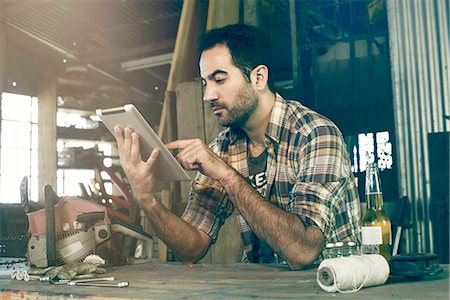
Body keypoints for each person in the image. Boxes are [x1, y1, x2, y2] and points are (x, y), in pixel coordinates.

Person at [114, 23, 361, 270]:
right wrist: (147, 200)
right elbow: (191, 248)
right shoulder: (223, 148)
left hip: (331, 288)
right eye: (205, 83)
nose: (208, 94)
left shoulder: (315, 135)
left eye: (219, 80)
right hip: (262, 290)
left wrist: (226, 175)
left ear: (259, 77)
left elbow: (303, 251)